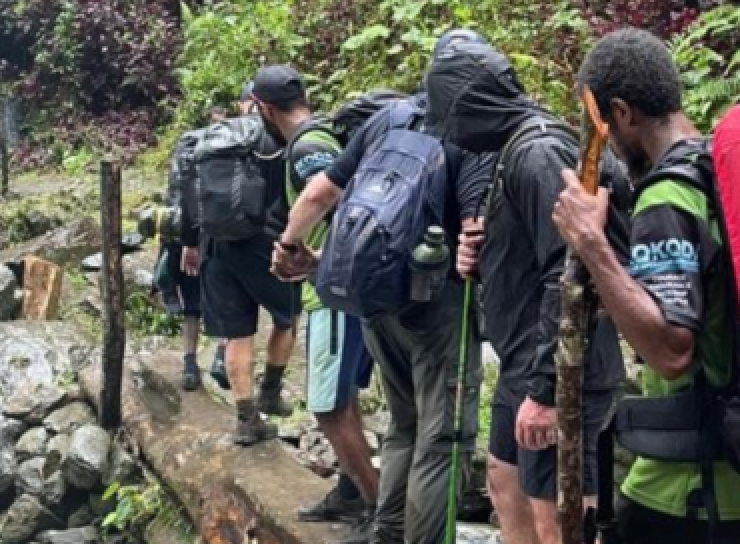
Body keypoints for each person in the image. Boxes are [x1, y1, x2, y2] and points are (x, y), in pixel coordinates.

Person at [551, 28, 740, 543]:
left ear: (623, 112)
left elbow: (672, 349)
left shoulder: (670, 196)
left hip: (693, 494)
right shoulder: (725, 172)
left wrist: (591, 244)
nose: (604, 142)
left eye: (602, 126)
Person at [273, 45, 492, 544]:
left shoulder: (389, 117)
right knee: (444, 438)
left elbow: (319, 193)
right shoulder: (473, 136)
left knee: (403, 423)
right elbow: (477, 234)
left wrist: (289, 247)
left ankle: (387, 531)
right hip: (439, 306)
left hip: (374, 297)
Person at [423, 41, 631, 544]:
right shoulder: (511, 147)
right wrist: (484, 253)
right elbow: (535, 248)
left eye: (452, 119)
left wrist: (546, 392)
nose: (453, 135)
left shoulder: (537, 152)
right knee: (503, 476)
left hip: (562, 370)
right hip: (525, 357)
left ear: (473, 107)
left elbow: (567, 274)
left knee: (558, 516)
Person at [250, 65, 383, 537]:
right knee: (340, 398)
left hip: (333, 292)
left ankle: (377, 510)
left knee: (327, 408)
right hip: (337, 287)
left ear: (265, 108)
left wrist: (292, 248)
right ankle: (351, 491)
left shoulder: (309, 146)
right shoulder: (322, 134)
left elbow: (328, 197)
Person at [181, 78, 298, 446]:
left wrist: (190, 243)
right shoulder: (276, 139)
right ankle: (271, 390)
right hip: (265, 243)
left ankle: (246, 419)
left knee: (236, 334)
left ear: (245, 102)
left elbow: (189, 194)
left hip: (215, 245)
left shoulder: (214, 138)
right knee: (288, 316)